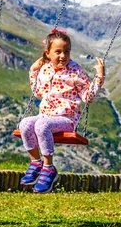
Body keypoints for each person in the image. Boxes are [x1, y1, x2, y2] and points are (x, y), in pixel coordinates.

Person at [18, 29, 105, 193]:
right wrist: (33, 71)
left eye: (67, 51)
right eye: (58, 52)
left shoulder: (75, 70)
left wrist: (99, 77)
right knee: (25, 124)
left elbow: (87, 96)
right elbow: (38, 92)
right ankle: (36, 162)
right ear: (48, 53)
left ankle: (49, 168)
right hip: (45, 115)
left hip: (66, 119)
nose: (63, 56)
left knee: (42, 125)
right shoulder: (45, 69)